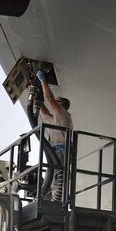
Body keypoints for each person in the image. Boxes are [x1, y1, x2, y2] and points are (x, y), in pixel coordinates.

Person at [36, 69, 73, 201]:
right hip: (53, 154)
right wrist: (36, 95)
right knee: (49, 182)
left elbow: (49, 98)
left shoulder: (63, 115)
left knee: (58, 182)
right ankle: (46, 202)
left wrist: (42, 80)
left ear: (62, 105)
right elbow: (43, 110)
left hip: (61, 153)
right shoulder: (53, 120)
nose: (55, 102)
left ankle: (57, 203)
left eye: (58, 101)